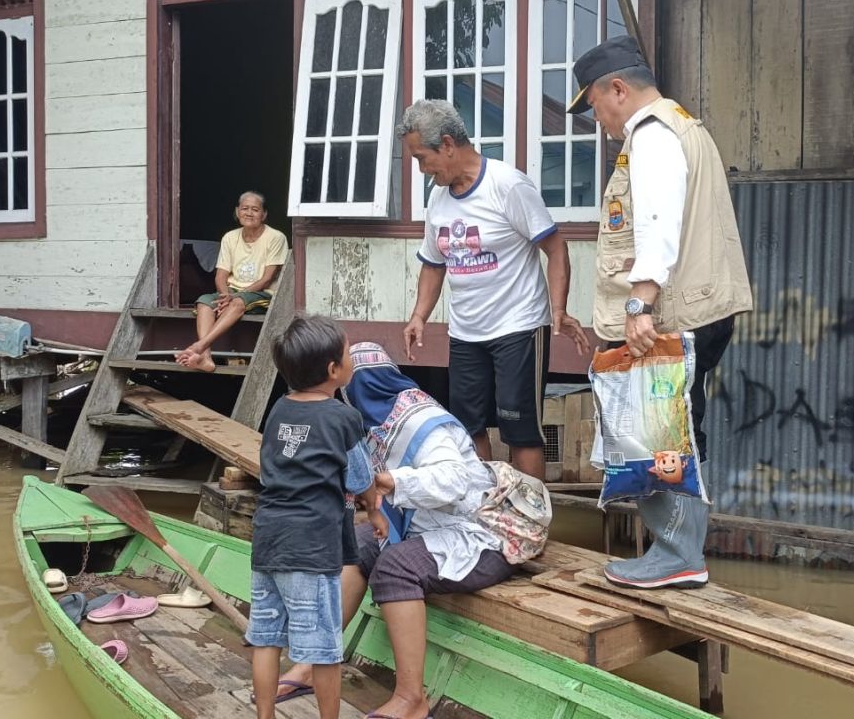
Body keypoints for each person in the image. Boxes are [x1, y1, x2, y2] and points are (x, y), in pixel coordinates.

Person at [567, 35, 753, 589]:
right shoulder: (685, 126)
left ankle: (677, 554)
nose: (596, 118)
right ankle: (678, 550)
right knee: (676, 427)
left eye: (594, 105)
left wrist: (638, 303)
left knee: (657, 431)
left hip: (671, 312)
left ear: (617, 89)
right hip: (701, 306)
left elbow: (657, 221)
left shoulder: (651, 134)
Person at [275, 342, 516, 719]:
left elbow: (452, 481)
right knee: (352, 544)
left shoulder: (421, 420)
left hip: (480, 535)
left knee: (394, 568)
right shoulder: (376, 425)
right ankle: (313, 665)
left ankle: (412, 698)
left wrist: (392, 481)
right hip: (426, 526)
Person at [399, 99, 590, 482]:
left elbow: (555, 247)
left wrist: (558, 308)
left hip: (518, 327)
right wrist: (419, 314)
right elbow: (434, 263)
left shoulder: (508, 185)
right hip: (466, 331)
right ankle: (486, 513)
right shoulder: (438, 197)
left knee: (521, 431)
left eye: (422, 158)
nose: (421, 170)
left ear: (448, 144)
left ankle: (530, 519)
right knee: (468, 427)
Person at [247, 315, 386, 719]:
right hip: (313, 544)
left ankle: (264, 716)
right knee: (325, 649)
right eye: (347, 353)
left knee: (266, 638)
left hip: (268, 536)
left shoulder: (278, 408)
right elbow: (360, 479)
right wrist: (375, 510)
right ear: (333, 370)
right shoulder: (344, 418)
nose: (350, 358)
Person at [177, 191, 289, 372]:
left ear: (264, 214)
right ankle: (206, 357)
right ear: (237, 212)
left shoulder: (276, 237)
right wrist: (224, 295)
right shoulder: (230, 237)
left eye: (255, 209)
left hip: (263, 292)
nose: (249, 213)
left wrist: (235, 296)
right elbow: (221, 275)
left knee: (237, 303)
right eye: (245, 208)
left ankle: (199, 346)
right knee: (204, 302)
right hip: (232, 291)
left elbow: (267, 278)